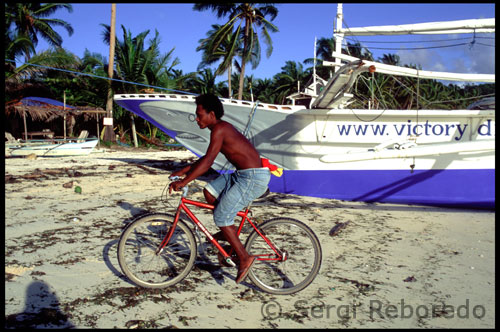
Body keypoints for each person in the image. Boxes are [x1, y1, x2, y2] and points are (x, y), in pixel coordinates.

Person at [168, 94, 271, 284]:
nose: (197, 119)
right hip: (242, 175)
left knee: (221, 217)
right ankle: (228, 233)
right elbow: (207, 158)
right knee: (209, 192)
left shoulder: (220, 129)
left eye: (199, 115)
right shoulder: (218, 129)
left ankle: (244, 257)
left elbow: (208, 162)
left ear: (212, 114)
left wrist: (185, 182)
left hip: (253, 177)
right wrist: (183, 171)